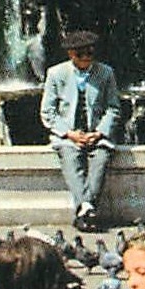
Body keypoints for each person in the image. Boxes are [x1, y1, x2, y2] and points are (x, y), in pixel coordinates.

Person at [39, 29, 123, 233]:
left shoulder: (106, 73)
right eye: (80, 54)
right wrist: (69, 133)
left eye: (89, 53)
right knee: (70, 158)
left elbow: (114, 108)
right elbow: (48, 111)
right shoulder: (56, 73)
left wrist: (99, 132)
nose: (86, 57)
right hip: (68, 135)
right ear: (70, 54)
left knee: (101, 159)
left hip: (96, 134)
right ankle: (88, 208)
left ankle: (83, 209)